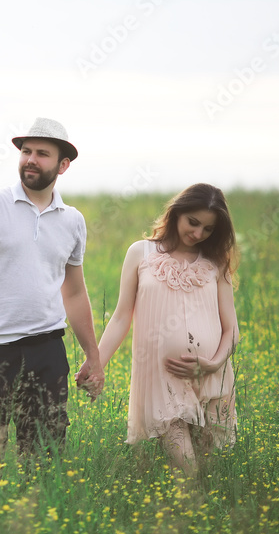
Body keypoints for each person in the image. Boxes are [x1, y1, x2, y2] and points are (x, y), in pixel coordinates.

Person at [0, 117, 104, 458]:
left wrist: (93, 355)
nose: (30, 159)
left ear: (63, 165)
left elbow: (73, 292)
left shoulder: (72, 220)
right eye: (25, 151)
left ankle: (39, 511)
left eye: (42, 153)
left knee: (46, 458)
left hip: (48, 349)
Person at [88, 183, 240, 474]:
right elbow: (121, 317)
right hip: (162, 380)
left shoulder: (216, 262)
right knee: (187, 469)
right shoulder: (140, 253)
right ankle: (187, 513)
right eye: (192, 223)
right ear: (176, 213)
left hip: (212, 378)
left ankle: (187, 519)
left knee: (209, 471)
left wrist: (212, 364)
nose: (197, 234)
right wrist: (97, 365)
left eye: (207, 229)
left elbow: (231, 329)